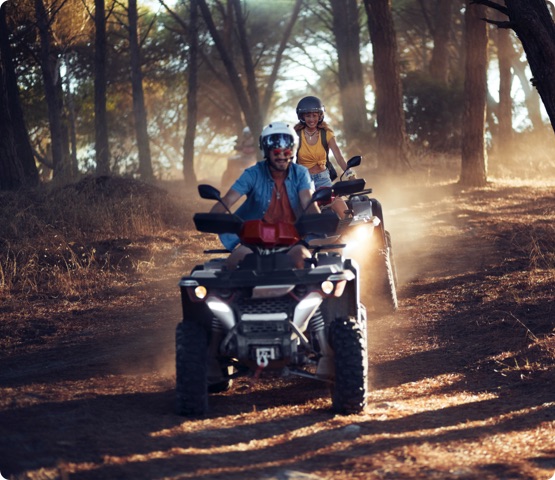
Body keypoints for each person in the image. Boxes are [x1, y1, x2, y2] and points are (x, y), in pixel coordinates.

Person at [210, 121, 320, 269]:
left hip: (292, 239)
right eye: (276, 152)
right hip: (253, 240)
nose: (282, 156)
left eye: (286, 152)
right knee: (234, 263)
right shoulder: (252, 173)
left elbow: (308, 200)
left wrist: (319, 220)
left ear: (293, 151)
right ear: (266, 151)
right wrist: (213, 217)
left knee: (304, 262)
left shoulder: (300, 173)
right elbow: (228, 200)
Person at [294, 96, 354, 218]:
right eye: (308, 115)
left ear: (320, 116)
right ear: (302, 117)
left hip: (323, 178)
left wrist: (350, 173)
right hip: (304, 180)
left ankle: (350, 232)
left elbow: (339, 156)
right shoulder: (296, 135)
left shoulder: (326, 134)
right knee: (303, 212)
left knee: (341, 208)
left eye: (314, 115)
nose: (311, 119)